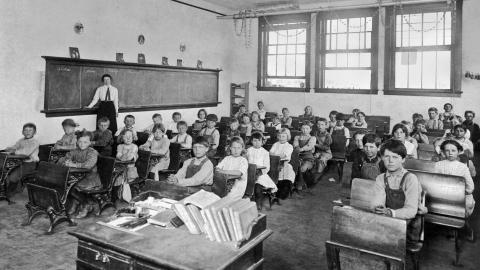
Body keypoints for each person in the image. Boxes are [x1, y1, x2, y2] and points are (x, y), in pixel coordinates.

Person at [370, 139, 426, 243]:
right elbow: (377, 202)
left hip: (408, 226)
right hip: (387, 221)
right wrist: (378, 208)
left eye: (395, 157)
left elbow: (411, 211)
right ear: (382, 158)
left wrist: (389, 212)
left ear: (403, 159)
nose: (390, 161)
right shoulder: (381, 178)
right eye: (387, 157)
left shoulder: (410, 179)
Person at [58, 130, 101, 218]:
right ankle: (77, 202)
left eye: (85, 142)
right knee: (67, 186)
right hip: (78, 177)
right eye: (80, 141)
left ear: (90, 142)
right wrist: (65, 161)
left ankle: (86, 204)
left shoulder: (92, 152)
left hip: (90, 178)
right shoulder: (75, 151)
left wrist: (74, 164)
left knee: (72, 187)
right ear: (77, 141)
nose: (82, 144)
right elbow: (64, 158)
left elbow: (88, 166)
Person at [435, 140, 475, 219]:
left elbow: (470, 187)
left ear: (459, 151)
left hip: (449, 196)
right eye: (447, 151)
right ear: (443, 152)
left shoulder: (462, 167)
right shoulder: (438, 165)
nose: (450, 153)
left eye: (453, 150)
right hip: (448, 196)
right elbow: (470, 188)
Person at [5, 123, 39, 193]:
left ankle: (9, 192)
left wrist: (14, 151)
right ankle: (16, 188)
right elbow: (15, 146)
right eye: (25, 130)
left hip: (30, 164)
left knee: (13, 176)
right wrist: (10, 148)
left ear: (34, 132)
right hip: (20, 162)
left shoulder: (34, 142)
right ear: (22, 132)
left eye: (30, 130)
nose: (28, 132)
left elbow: (26, 152)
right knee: (6, 172)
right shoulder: (21, 140)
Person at [247, 132, 278, 206]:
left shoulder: (265, 152)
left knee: (257, 188)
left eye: (259, 141)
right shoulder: (248, 150)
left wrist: (259, 173)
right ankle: (247, 203)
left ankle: (258, 204)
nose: (257, 143)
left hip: (260, 173)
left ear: (262, 142)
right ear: (251, 141)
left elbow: (267, 167)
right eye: (255, 140)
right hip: (249, 172)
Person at [269, 128, 295, 199]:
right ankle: (272, 188)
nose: (281, 138)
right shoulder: (275, 144)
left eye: (283, 136)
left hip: (284, 163)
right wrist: (276, 155)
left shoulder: (289, 146)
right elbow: (270, 153)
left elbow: (283, 155)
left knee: (286, 171)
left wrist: (275, 155)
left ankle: (283, 190)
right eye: (279, 136)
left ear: (287, 137)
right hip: (274, 162)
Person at [115, 130, 139, 202]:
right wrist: (123, 156)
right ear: (122, 138)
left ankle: (129, 198)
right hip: (121, 169)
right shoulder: (120, 146)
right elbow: (118, 156)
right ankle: (119, 198)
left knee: (126, 180)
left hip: (130, 170)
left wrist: (122, 156)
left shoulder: (134, 146)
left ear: (133, 137)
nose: (128, 138)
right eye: (126, 136)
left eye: (130, 136)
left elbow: (128, 158)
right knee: (115, 178)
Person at [293, 123, 316, 188]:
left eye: (307, 129)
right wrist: (297, 149)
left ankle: (301, 183)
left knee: (302, 168)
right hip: (298, 157)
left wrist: (301, 149)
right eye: (303, 128)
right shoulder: (297, 137)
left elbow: (309, 146)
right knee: (293, 167)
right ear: (300, 129)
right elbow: (295, 145)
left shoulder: (312, 138)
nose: (304, 130)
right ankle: (295, 183)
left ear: (310, 129)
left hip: (308, 158)